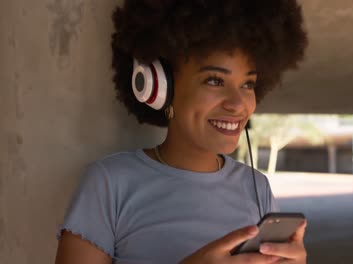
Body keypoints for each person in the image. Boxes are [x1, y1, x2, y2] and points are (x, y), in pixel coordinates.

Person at [55, 0, 308, 263]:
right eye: (214, 80)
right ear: (160, 86)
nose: (236, 104)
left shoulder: (257, 187)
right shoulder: (108, 184)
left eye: (247, 84)